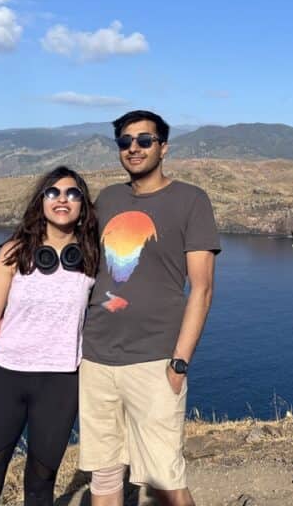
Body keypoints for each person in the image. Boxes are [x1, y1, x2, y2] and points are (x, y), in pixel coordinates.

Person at [79, 110, 220, 506]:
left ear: (163, 148)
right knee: (104, 479)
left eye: (144, 140)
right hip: (96, 359)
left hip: (155, 361)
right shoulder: (108, 198)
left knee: (164, 480)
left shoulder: (191, 200)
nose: (134, 148)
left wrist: (179, 362)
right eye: (125, 141)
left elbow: (203, 289)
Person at [0, 165, 99, 506]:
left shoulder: (94, 257)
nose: (62, 199)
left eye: (72, 193)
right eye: (53, 192)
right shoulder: (13, 253)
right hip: (5, 380)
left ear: (83, 205)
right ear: (41, 202)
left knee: (40, 489)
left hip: (61, 384)